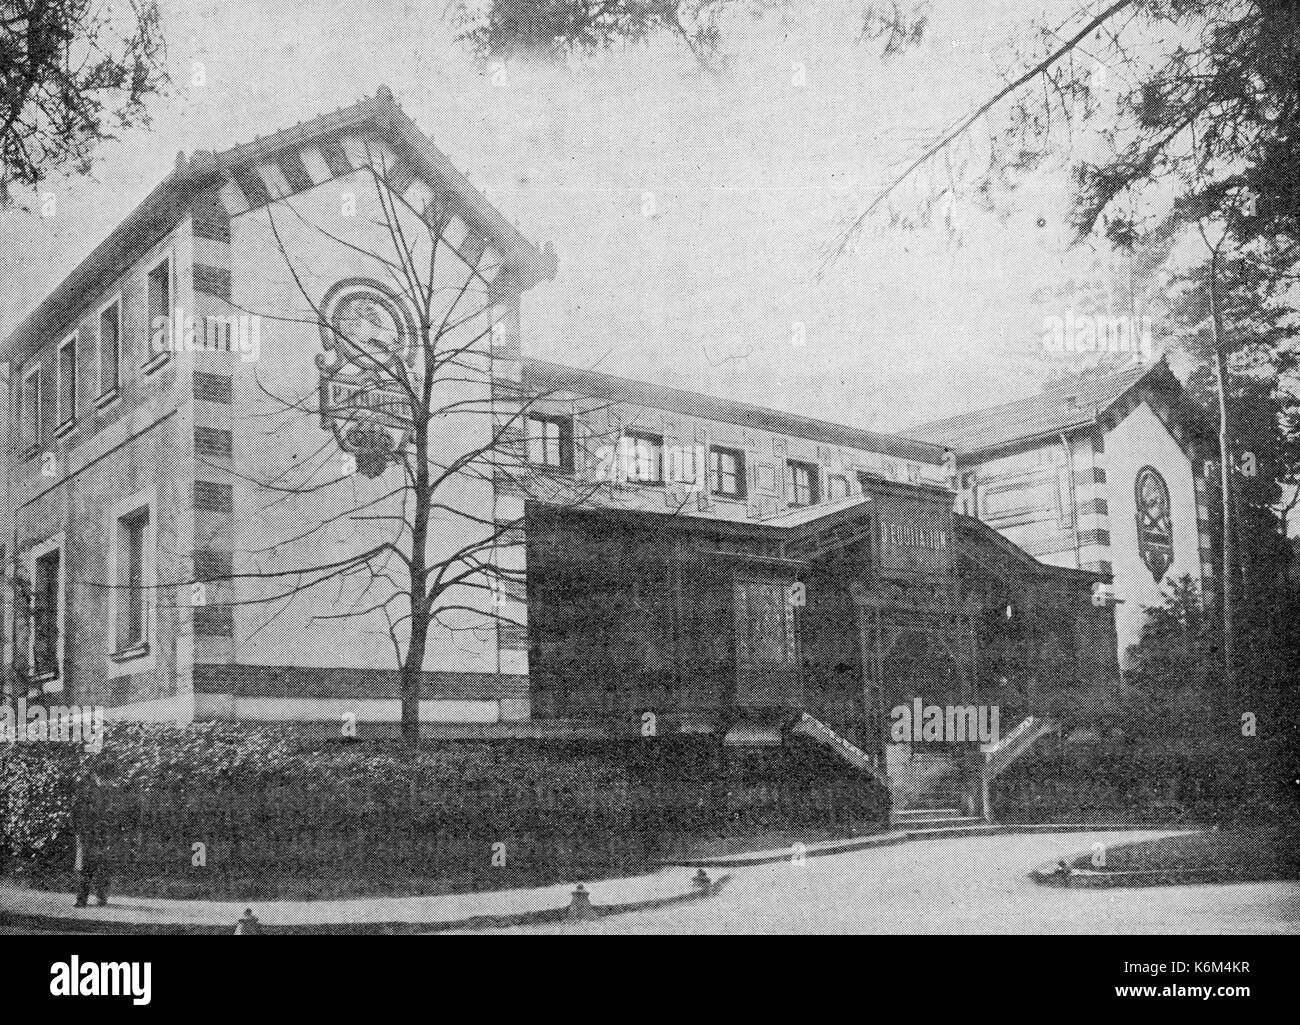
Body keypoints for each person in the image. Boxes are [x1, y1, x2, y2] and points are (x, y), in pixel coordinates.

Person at [72, 757, 114, 908]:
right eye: (106, 779)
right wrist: (80, 834)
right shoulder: (86, 789)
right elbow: (77, 813)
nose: (109, 782)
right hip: (87, 833)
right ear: (98, 776)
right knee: (86, 867)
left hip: (102, 834)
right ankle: (81, 900)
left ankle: (101, 898)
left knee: (103, 866)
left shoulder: (106, 790)